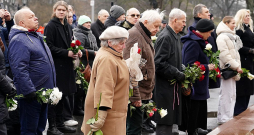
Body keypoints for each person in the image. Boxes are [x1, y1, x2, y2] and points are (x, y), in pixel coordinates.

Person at [8, 7, 55, 135]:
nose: (36, 18)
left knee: (39, 129)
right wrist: (29, 91)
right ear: (21, 23)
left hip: (42, 93)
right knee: (30, 130)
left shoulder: (34, 36)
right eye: (31, 17)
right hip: (32, 95)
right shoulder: (19, 40)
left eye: (35, 16)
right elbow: (19, 68)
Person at [81, 26, 129, 135]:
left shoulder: (112, 54)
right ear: (110, 43)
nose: (124, 46)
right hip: (108, 113)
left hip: (113, 111)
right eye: (121, 43)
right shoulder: (107, 59)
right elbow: (104, 88)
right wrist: (101, 116)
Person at [44, 1, 81, 134]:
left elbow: (72, 42)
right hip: (56, 66)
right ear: (54, 11)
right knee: (55, 97)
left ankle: (60, 124)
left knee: (63, 95)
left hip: (67, 66)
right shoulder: (51, 26)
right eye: (59, 9)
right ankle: (52, 126)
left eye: (63, 10)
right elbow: (49, 46)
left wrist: (77, 50)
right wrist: (67, 53)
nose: (61, 12)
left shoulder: (68, 26)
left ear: (67, 12)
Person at [123, 9, 163, 134]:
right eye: (156, 26)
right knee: (134, 128)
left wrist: (149, 90)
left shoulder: (144, 34)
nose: (158, 29)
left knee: (138, 127)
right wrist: (135, 95)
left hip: (142, 90)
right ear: (145, 22)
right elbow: (128, 67)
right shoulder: (135, 35)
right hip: (136, 91)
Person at [154, 8, 186, 135]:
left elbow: (172, 59)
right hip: (164, 87)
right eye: (183, 21)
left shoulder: (176, 36)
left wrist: (181, 68)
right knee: (164, 122)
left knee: (170, 122)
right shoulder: (166, 37)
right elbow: (159, 63)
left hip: (171, 87)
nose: (184, 24)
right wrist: (177, 73)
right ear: (175, 20)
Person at [180, 19, 215, 135]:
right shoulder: (193, 43)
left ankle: (199, 128)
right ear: (204, 31)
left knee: (200, 110)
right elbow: (188, 64)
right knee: (193, 113)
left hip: (201, 84)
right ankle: (193, 130)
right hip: (195, 85)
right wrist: (206, 66)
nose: (210, 35)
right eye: (209, 32)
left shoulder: (200, 41)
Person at [216, 16, 243, 124]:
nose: (234, 25)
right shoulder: (222, 37)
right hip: (228, 69)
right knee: (226, 95)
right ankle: (224, 118)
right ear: (226, 23)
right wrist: (236, 65)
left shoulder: (231, 36)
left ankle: (228, 117)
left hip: (232, 69)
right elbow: (224, 55)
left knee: (231, 94)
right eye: (232, 23)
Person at [73, 15, 98, 116]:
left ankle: (83, 106)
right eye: (86, 22)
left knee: (88, 85)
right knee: (81, 86)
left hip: (91, 62)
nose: (88, 24)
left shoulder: (89, 32)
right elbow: (80, 49)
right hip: (84, 63)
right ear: (81, 24)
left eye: (89, 22)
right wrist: (94, 53)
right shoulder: (79, 34)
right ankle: (77, 108)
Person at [192, 4, 220, 89]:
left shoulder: (207, 26)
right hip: (202, 69)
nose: (209, 14)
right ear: (199, 15)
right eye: (206, 12)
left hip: (208, 67)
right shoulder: (195, 28)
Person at [234, 9, 254, 116]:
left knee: (248, 89)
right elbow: (237, 46)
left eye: (249, 15)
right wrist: (250, 50)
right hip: (243, 61)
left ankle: (242, 112)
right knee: (243, 89)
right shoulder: (238, 29)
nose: (248, 17)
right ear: (241, 16)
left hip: (249, 61)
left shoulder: (249, 28)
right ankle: (238, 113)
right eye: (246, 15)